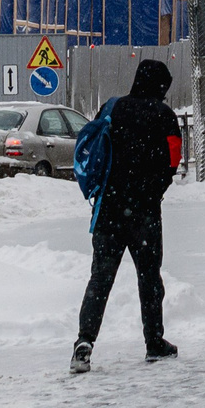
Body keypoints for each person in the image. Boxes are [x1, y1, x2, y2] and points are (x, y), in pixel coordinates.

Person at [72, 58, 183, 374]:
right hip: (144, 214)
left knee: (100, 279)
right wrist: (153, 189)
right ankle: (154, 343)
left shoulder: (112, 107)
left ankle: (84, 342)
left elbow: (96, 146)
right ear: (161, 85)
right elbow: (173, 161)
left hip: (108, 209)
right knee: (149, 279)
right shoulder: (164, 116)